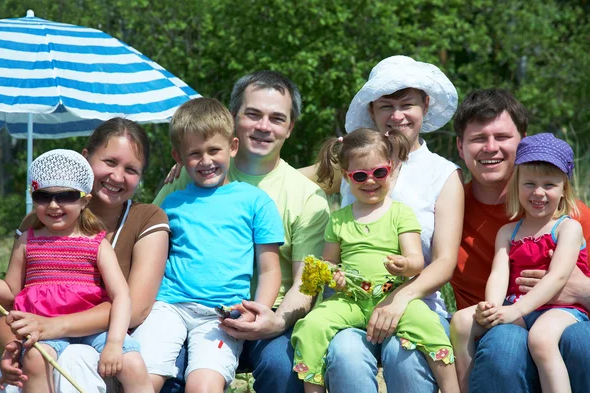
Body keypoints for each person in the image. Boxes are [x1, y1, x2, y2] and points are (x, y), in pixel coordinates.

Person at [153, 71, 330, 393]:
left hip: (271, 309)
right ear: (234, 120)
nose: (264, 126)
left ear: (290, 128)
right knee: (163, 371)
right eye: (253, 114)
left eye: (277, 118)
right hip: (189, 305)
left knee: (284, 366)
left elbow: (307, 283)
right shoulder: (193, 174)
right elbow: (152, 241)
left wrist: (276, 321)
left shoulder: (308, 198)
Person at [300, 55, 464, 392]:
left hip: (413, 300)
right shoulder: (355, 161)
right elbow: (283, 176)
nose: (397, 115)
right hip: (351, 299)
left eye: (407, 104)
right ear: (372, 111)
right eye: (386, 105)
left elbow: (445, 261)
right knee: (345, 352)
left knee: (401, 353)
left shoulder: (441, 173)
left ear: (425, 105)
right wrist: (209, 167)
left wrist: (400, 299)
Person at [0, 118, 170, 393]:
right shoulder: (34, 230)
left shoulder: (117, 232)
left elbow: (130, 305)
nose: (117, 176)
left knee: (124, 363)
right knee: (36, 362)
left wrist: (55, 327)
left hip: (95, 338)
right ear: (85, 160)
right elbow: (12, 296)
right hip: (40, 339)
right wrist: (14, 345)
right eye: (109, 162)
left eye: (131, 169)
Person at [133, 97, 284, 392]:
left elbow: (269, 270)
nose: (205, 161)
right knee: (142, 380)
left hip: (223, 314)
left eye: (214, 150)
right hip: (169, 307)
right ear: (178, 156)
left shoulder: (256, 201)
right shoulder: (171, 202)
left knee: (204, 386)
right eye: (194, 153)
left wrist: (257, 310)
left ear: (233, 147)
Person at [450, 88, 590, 393]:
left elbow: (566, 279)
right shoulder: (449, 207)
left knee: (582, 341)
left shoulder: (574, 219)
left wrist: (583, 290)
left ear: (522, 142)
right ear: (460, 146)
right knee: (504, 344)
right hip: (503, 321)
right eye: (478, 138)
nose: (491, 148)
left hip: (560, 320)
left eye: (502, 137)